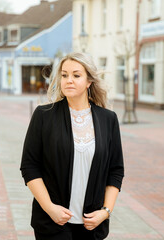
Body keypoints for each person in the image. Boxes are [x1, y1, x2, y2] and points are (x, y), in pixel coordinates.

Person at [20, 52, 124, 240]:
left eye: (76, 75)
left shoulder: (108, 120)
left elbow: (115, 170)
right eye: (64, 75)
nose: (69, 80)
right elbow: (30, 167)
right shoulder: (44, 116)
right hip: (53, 223)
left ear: (89, 81)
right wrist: (50, 208)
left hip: (92, 225)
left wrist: (105, 211)